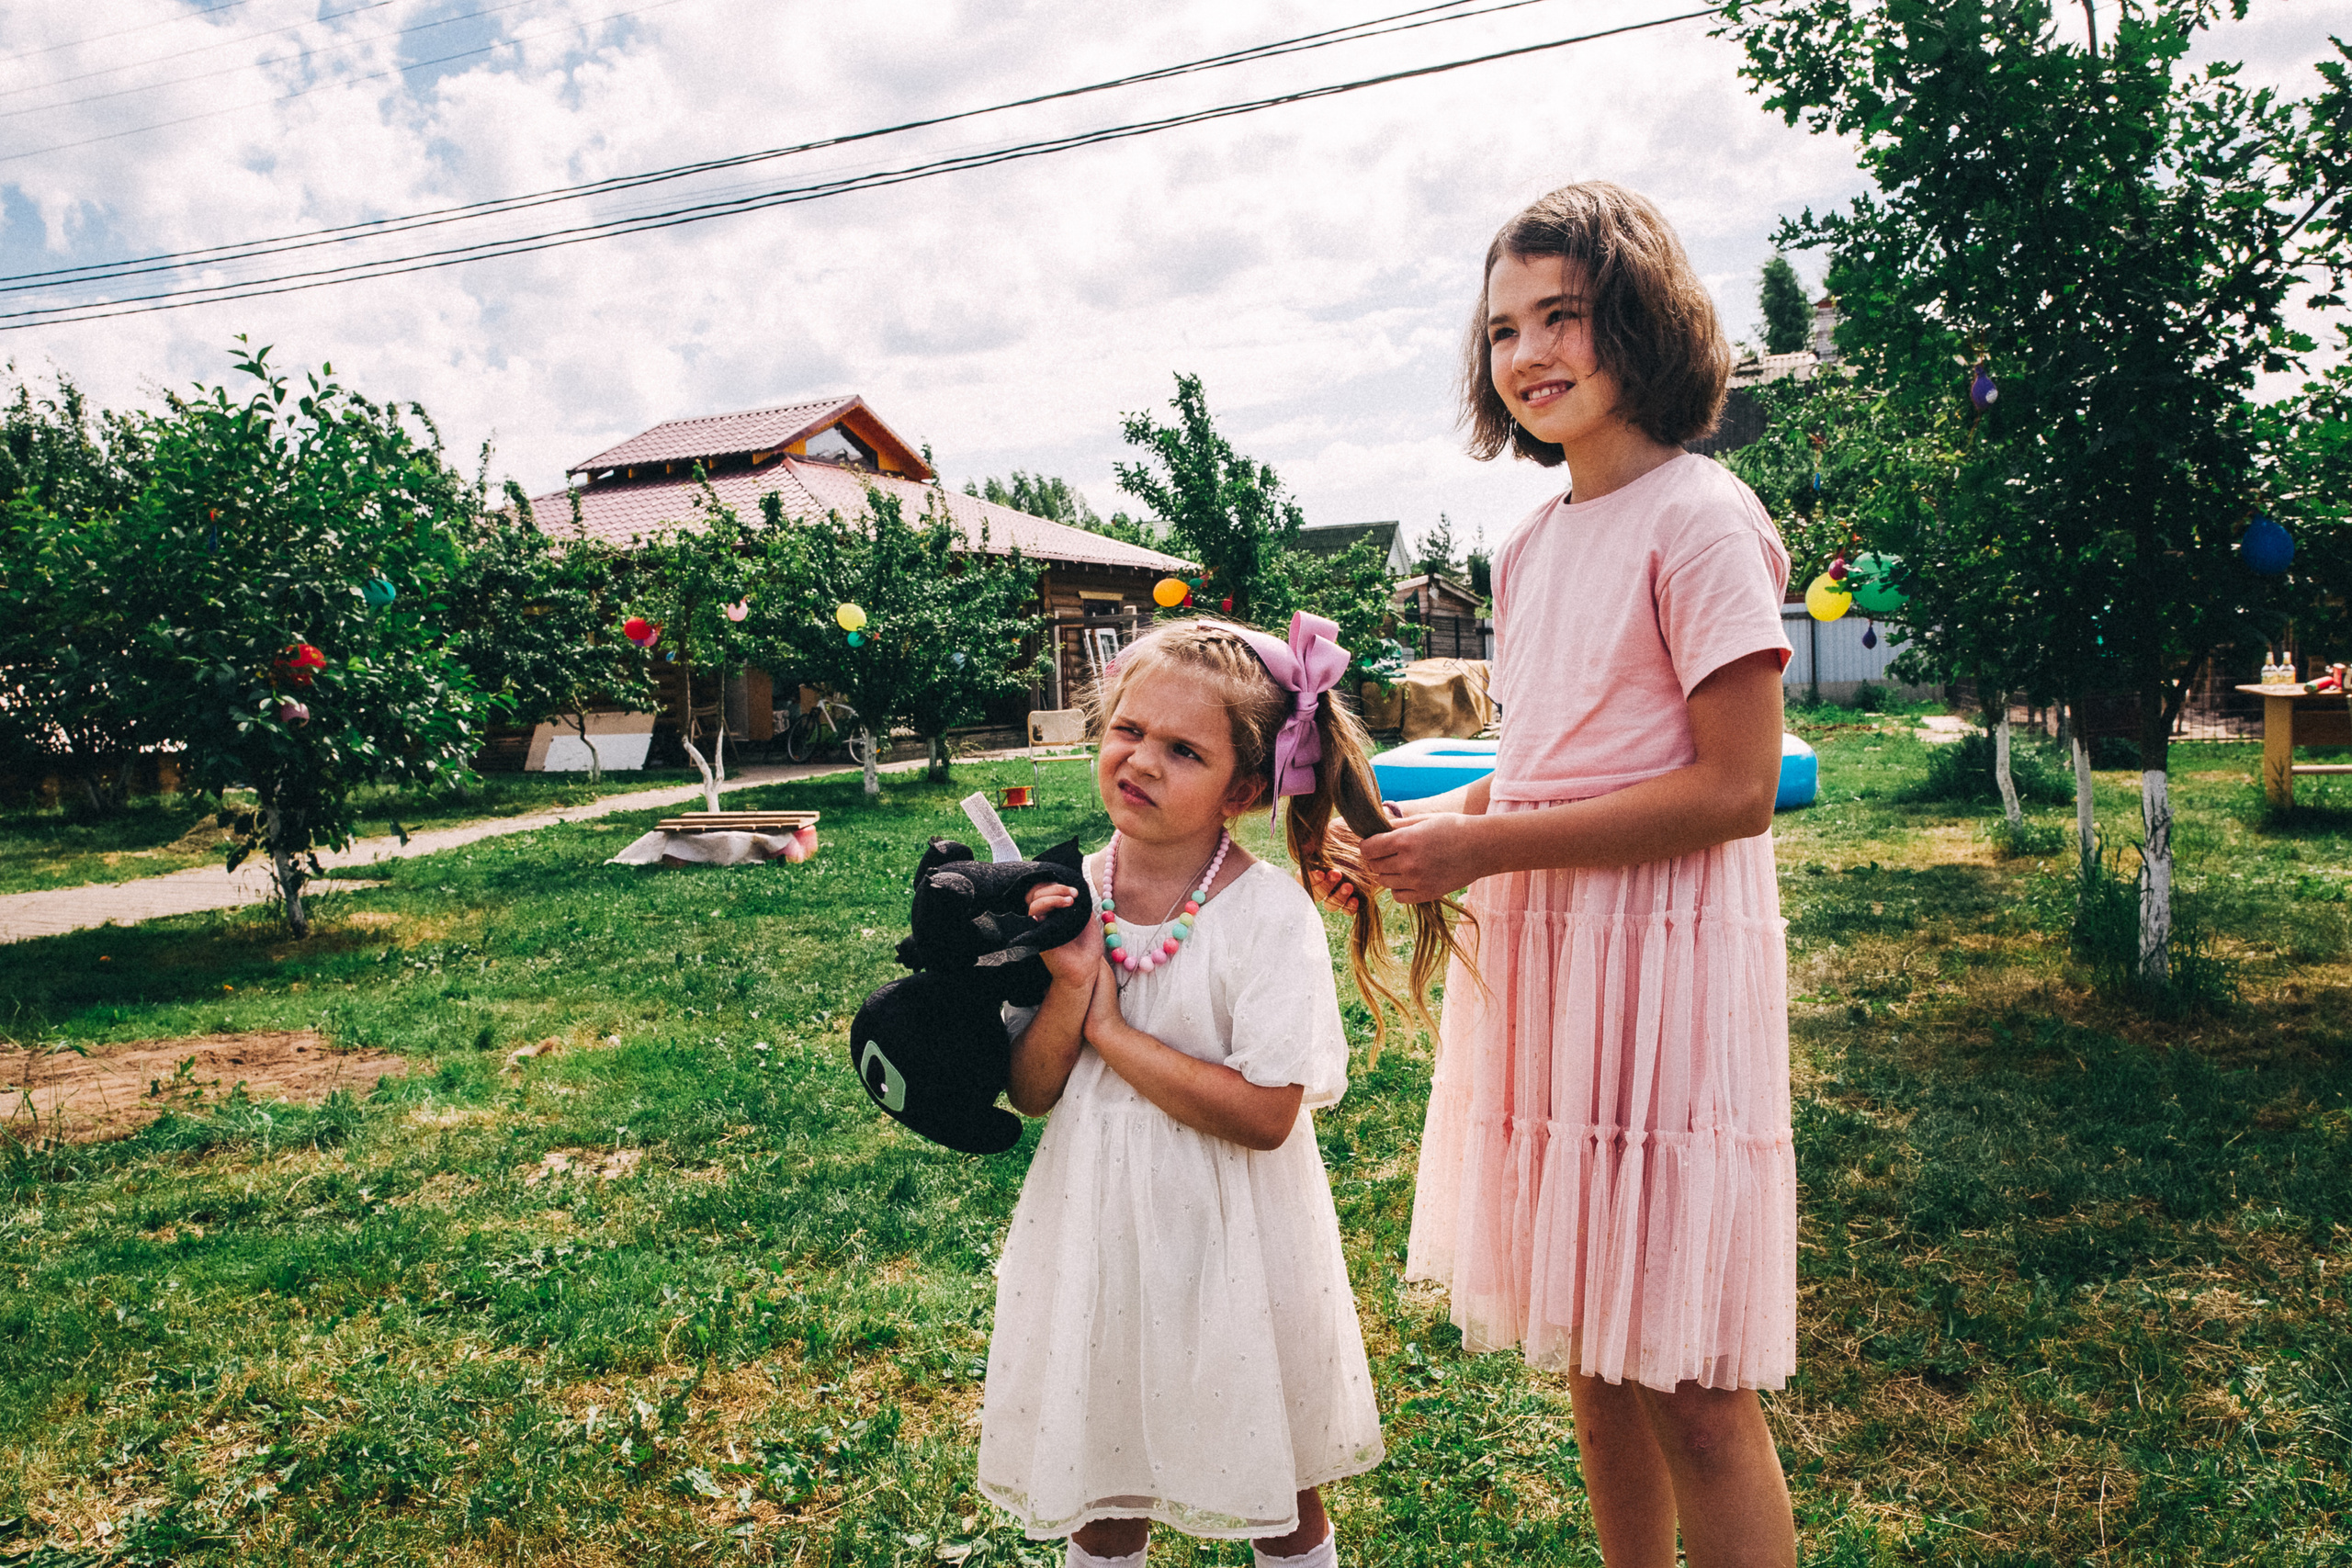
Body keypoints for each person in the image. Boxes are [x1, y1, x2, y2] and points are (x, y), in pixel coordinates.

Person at [1327, 181, 1801, 1566]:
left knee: (1696, 1389)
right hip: (1554, 975)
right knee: (1595, 1363)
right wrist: (1420, 843)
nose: (1529, 354)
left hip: (1662, 971)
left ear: (1639, 321)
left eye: (1562, 317)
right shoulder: (1529, 544)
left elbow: (1736, 787)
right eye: (1501, 331)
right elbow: (1540, 767)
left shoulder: (1702, 515)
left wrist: (1487, 844)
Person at [978, 613, 1421, 1568]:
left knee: (1272, 1484)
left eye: (1182, 750)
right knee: (1103, 1476)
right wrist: (1067, 989)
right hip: (1098, 1223)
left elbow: (1265, 1115)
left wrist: (1110, 1029)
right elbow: (1033, 1091)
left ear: (1246, 786)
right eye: (1128, 730)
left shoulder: (1266, 917)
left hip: (1235, 1238)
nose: (1139, 760)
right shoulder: (1064, 893)